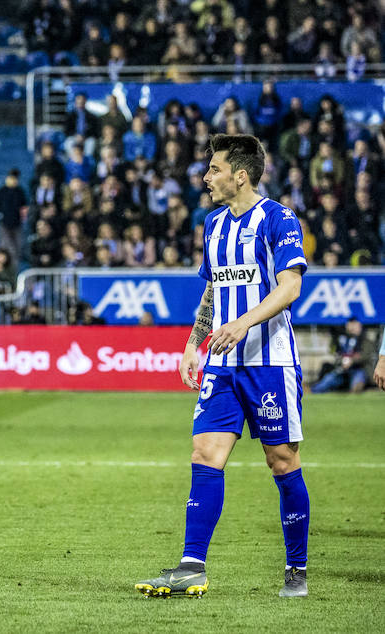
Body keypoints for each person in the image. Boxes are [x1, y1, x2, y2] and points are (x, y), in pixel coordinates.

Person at [136, 134, 310, 598]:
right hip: (222, 364)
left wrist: (243, 324)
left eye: (213, 170)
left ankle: (297, 568)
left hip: (270, 363)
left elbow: (290, 287)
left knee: (282, 461)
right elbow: (213, 289)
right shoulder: (213, 224)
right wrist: (195, 342)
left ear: (241, 175)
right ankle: (192, 564)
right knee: (204, 454)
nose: (205, 177)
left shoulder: (279, 219)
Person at [311, 317, 372, 394]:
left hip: (359, 369)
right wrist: (342, 360)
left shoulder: (365, 340)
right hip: (342, 370)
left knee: (357, 381)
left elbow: (365, 356)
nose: (353, 328)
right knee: (328, 379)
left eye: (355, 325)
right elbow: (335, 353)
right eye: (351, 325)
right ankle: (312, 390)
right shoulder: (342, 339)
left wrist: (351, 361)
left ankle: (356, 389)